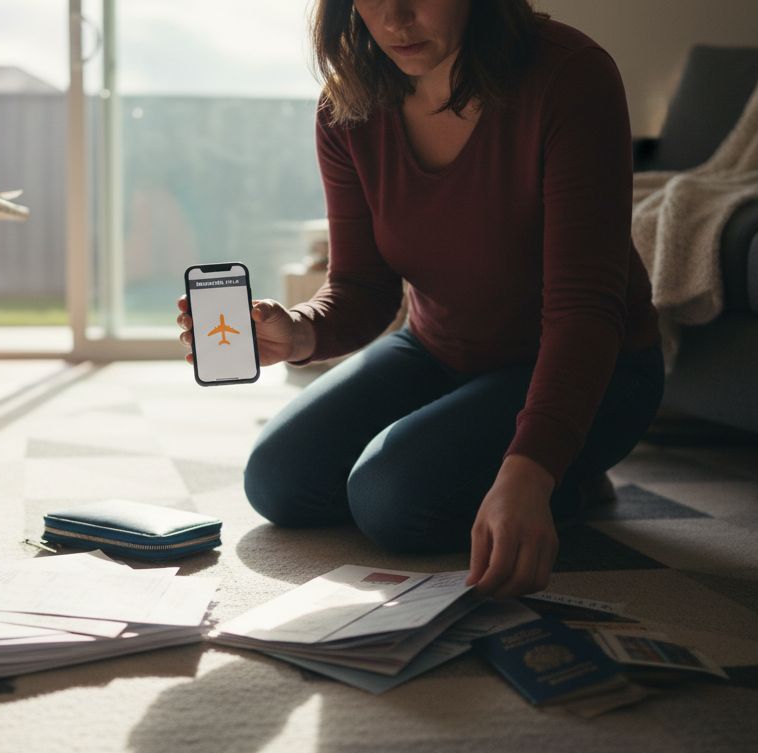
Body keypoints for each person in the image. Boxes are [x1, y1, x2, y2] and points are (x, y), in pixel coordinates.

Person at [175, 0, 663, 598]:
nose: (395, 18)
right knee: (278, 480)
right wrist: (299, 332)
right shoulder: (348, 104)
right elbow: (362, 285)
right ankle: (497, 456)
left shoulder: (570, 74)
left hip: (595, 367)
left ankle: (567, 471)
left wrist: (532, 470)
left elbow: (585, 305)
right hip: (438, 350)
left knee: (389, 500)